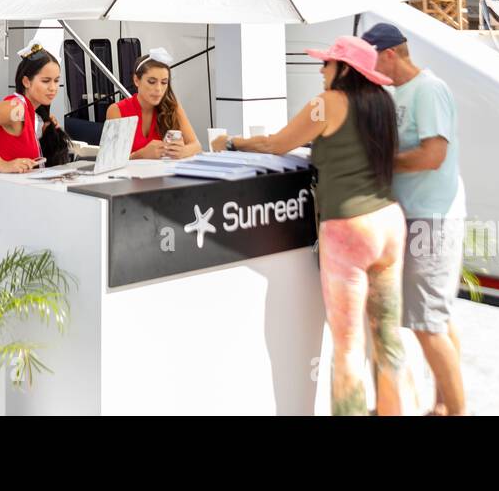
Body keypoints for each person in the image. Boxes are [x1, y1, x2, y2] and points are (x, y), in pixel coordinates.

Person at [211, 36, 404, 416]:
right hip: (389, 224)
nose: (320, 70)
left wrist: (230, 143)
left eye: (327, 64)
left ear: (345, 70)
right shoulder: (381, 104)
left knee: (347, 346)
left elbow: (277, 143)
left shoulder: (328, 104)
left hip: (348, 228)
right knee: (386, 339)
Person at [362, 21, 467, 417]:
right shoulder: (400, 92)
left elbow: (431, 156)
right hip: (417, 216)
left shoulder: (428, 89)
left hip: (432, 218)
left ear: (389, 53)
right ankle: (443, 404)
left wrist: (378, 162)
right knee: (435, 317)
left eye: (371, 59)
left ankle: (457, 412)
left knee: (426, 323)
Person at [0, 46, 71, 174]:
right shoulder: (17, 108)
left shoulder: (32, 114)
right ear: (26, 82)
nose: (53, 88)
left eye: (56, 81)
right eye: (46, 81)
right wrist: (1, 164)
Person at [105, 48, 201, 160]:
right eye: (152, 82)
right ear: (136, 80)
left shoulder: (172, 106)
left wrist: (181, 151)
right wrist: (140, 155)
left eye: (164, 82)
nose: (159, 89)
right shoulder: (117, 110)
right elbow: (111, 160)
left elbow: (196, 146)